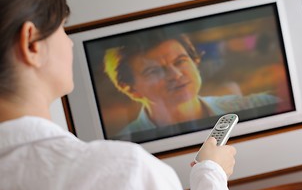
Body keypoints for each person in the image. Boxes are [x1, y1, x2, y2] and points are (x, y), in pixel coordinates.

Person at [0, 0, 237, 190]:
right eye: (63, 27)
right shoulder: (127, 175)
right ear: (32, 44)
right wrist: (211, 175)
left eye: (181, 61)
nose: (70, 41)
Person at [103, 31, 280, 135]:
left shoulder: (258, 106)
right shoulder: (126, 146)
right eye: (154, 71)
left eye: (180, 61)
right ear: (131, 90)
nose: (176, 74)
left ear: (195, 61)